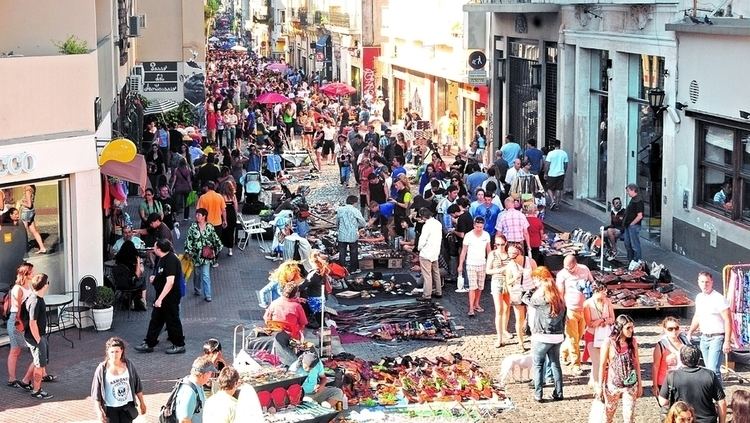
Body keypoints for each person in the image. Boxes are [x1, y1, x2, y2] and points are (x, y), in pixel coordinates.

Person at [135, 239, 186, 354]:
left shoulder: (171, 260)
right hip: (163, 296)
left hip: (170, 297)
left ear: (159, 249)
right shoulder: (162, 259)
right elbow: (162, 275)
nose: (152, 249)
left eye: (154, 247)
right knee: (156, 319)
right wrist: (155, 279)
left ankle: (179, 344)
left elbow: (170, 281)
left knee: (172, 320)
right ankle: (149, 342)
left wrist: (160, 299)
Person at [524, 267, 566, 402]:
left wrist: (532, 290)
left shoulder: (541, 301)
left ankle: (538, 394)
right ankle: (559, 393)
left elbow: (525, 298)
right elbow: (564, 320)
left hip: (541, 336)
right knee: (555, 364)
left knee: (538, 365)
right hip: (558, 336)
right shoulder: (560, 301)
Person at [658, 345, 727, 423]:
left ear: (681, 358)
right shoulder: (709, 375)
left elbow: (663, 402)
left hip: (683, 420)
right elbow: (721, 402)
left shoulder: (672, 376)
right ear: (698, 359)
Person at [686, 271, 732, 385]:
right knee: (708, 369)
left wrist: (727, 341)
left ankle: (719, 397)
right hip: (704, 337)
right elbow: (697, 316)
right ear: (698, 283)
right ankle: (712, 394)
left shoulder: (719, 298)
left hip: (717, 337)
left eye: (707, 282)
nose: (705, 284)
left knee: (713, 370)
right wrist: (690, 331)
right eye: (702, 282)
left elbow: (728, 320)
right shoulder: (699, 297)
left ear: (712, 282)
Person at [598, 314, 643, 423]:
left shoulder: (633, 342)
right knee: (608, 416)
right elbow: (603, 365)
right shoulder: (608, 343)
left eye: (632, 327)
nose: (631, 330)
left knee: (629, 417)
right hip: (613, 384)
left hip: (630, 384)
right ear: (620, 328)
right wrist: (600, 386)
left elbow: (636, 363)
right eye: (628, 328)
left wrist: (640, 384)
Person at [91, 337, 146, 423]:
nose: (114, 354)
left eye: (117, 351)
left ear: (122, 351)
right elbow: (96, 393)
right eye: (112, 352)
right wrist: (99, 411)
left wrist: (142, 403)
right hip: (110, 409)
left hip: (127, 407)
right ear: (107, 352)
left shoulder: (129, 365)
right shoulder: (102, 369)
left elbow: (137, 386)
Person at [555, 254, 595, 376]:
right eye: (566, 268)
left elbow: (592, 283)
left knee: (577, 336)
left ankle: (563, 352)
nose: (568, 271)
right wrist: (562, 311)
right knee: (573, 339)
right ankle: (576, 364)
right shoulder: (562, 275)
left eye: (570, 268)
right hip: (570, 310)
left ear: (575, 264)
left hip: (584, 309)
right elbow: (560, 294)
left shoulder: (584, 269)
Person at [19, 273, 53, 399]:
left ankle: (25, 381)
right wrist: (39, 340)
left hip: (36, 336)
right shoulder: (35, 301)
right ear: (45, 285)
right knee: (40, 365)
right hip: (35, 337)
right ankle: (36, 390)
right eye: (47, 283)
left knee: (37, 360)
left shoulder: (35, 298)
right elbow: (33, 323)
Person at [504, 242, 537, 350]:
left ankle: (534, 339)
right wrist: (516, 277)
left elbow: (537, 277)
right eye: (509, 254)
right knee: (519, 318)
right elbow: (508, 282)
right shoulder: (510, 265)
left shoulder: (530, 261)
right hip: (517, 292)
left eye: (514, 255)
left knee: (532, 316)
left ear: (520, 253)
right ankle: (521, 342)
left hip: (530, 291)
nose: (512, 257)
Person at [184, 208, 222, 302]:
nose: (197, 216)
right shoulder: (193, 227)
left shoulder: (210, 227)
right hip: (196, 256)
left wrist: (216, 250)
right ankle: (197, 289)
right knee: (197, 274)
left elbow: (215, 239)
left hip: (206, 256)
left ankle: (208, 295)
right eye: (196, 215)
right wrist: (188, 251)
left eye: (199, 215)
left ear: (204, 216)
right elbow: (189, 240)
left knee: (206, 275)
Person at [457, 216, 491, 318]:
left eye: (481, 227)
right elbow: (464, 251)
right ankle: (471, 308)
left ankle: (476, 303)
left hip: (482, 263)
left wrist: (490, 262)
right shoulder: (468, 236)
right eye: (477, 227)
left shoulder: (486, 235)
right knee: (472, 286)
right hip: (471, 263)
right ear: (474, 225)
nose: (479, 229)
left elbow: (489, 250)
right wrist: (460, 264)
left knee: (480, 286)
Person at [6, 263, 33, 388]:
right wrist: (20, 324)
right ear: (26, 274)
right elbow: (17, 309)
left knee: (34, 348)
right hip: (17, 321)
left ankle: (42, 372)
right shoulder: (18, 288)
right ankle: (12, 379)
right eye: (31, 272)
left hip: (26, 320)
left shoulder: (29, 286)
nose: (33, 274)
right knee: (15, 350)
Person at [583, 282, 615, 388]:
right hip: (592, 335)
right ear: (596, 291)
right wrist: (601, 320)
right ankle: (598, 385)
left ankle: (594, 379)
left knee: (605, 360)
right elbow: (589, 323)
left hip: (605, 335)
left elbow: (612, 319)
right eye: (603, 291)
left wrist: (604, 320)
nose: (606, 292)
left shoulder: (608, 302)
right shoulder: (587, 304)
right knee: (597, 361)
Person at [486, 235, 512, 347]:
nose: (500, 247)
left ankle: (505, 329)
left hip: (509, 282)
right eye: (497, 244)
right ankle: (499, 337)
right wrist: (501, 270)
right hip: (497, 282)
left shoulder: (509, 254)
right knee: (499, 310)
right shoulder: (493, 254)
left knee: (507, 308)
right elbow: (488, 270)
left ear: (506, 243)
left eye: (502, 244)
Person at [652, 316, 688, 398]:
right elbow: (655, 366)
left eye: (676, 328)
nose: (674, 331)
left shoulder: (685, 342)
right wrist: (655, 385)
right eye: (670, 329)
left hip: (683, 382)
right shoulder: (661, 345)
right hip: (665, 383)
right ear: (664, 329)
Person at [175, 357, 216, 423]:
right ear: (204, 375)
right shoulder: (189, 392)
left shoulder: (197, 384)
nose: (211, 377)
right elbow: (184, 420)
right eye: (211, 374)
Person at [196, 181, 227, 266]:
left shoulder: (202, 197)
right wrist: (225, 220)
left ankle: (206, 259)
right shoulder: (219, 197)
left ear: (207, 188)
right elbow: (224, 210)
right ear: (214, 187)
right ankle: (214, 260)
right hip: (217, 223)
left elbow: (199, 211)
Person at [417, 208, 443, 302]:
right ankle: (438, 291)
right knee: (436, 272)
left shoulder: (427, 226)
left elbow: (422, 240)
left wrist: (419, 248)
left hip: (426, 252)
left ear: (423, 216)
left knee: (427, 274)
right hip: (435, 252)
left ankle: (427, 295)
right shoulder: (438, 223)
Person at [114, 240, 148, 311]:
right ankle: (143, 300)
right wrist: (138, 261)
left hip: (118, 284)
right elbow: (137, 275)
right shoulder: (133, 260)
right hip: (130, 284)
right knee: (143, 279)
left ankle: (130, 299)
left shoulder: (118, 258)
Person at [336, 195, 366, 273]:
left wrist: (338, 229)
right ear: (354, 202)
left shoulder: (340, 210)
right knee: (353, 252)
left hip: (342, 235)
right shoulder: (355, 210)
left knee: (342, 253)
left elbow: (337, 222)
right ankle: (354, 269)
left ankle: (341, 270)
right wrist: (358, 225)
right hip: (352, 235)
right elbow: (362, 222)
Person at [19, 185, 46, 253]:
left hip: (26, 212)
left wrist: (21, 202)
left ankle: (23, 251)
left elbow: (29, 205)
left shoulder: (28, 191)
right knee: (34, 231)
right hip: (31, 212)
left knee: (23, 232)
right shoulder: (31, 189)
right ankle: (42, 248)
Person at [622, 183, 644, 262]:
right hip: (629, 225)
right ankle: (631, 260)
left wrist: (632, 224)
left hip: (633, 226)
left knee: (634, 244)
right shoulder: (634, 199)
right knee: (627, 243)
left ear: (633, 190)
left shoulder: (638, 201)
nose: (627, 193)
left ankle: (637, 261)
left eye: (628, 191)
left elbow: (640, 215)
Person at [544, 139, 568, 211]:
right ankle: (557, 204)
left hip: (552, 174)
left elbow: (547, 164)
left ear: (553, 145)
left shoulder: (550, 153)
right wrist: (564, 171)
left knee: (548, 188)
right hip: (561, 173)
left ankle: (552, 201)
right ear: (559, 145)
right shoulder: (564, 153)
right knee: (559, 189)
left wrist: (545, 173)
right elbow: (566, 164)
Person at [219, 181, 238, 257]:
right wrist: (235, 215)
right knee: (231, 231)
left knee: (223, 231)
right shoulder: (233, 195)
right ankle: (230, 250)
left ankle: (220, 246)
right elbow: (236, 206)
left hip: (224, 214)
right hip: (231, 213)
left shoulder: (221, 196)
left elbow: (221, 207)